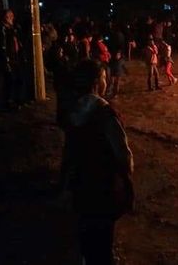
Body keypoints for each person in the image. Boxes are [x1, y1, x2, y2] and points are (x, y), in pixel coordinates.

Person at [66, 59, 134, 265]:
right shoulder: (105, 114)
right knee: (103, 241)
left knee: (86, 236)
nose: (105, 82)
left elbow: (69, 151)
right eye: (104, 77)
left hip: (80, 183)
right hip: (103, 187)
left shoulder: (73, 111)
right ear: (97, 82)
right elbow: (122, 153)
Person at [0, 9, 24, 109]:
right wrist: (5, 59)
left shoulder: (13, 28)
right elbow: (1, 45)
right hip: (8, 57)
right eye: (9, 16)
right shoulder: (1, 28)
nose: (11, 18)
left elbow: (17, 40)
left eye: (12, 16)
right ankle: (8, 101)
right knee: (9, 80)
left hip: (15, 56)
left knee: (18, 78)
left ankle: (17, 99)